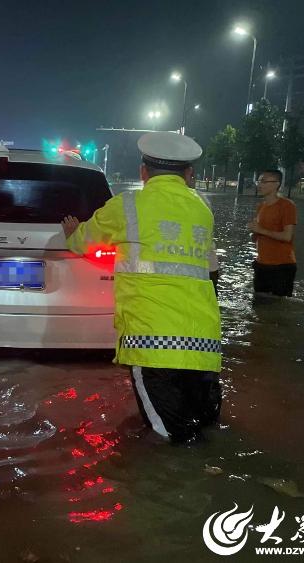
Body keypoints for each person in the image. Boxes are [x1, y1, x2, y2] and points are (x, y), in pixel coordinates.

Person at [61, 132, 222, 443]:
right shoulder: (203, 207)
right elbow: (212, 268)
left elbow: (84, 241)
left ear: (143, 172)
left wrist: (71, 233)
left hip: (153, 343)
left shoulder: (128, 205)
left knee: (168, 439)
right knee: (206, 427)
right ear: (189, 174)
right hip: (203, 344)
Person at [247, 169, 297, 297]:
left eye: (263, 181)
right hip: (261, 264)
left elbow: (287, 236)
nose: (259, 184)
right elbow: (259, 236)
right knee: (258, 304)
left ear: (276, 184)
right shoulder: (261, 206)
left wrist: (260, 230)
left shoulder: (287, 206)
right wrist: (254, 232)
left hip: (281, 266)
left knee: (278, 307)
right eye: (258, 181)